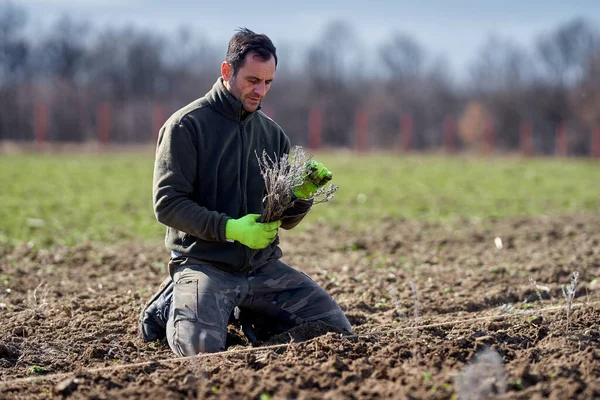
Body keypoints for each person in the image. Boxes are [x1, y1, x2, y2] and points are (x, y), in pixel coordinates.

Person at [138, 28, 351, 356]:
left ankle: (248, 312)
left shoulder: (272, 135)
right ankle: (172, 302)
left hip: (262, 268)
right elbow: (167, 204)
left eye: (268, 83)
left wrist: (303, 192)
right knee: (199, 351)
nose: (260, 91)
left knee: (335, 331)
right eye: (253, 80)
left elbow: (286, 221)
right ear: (227, 71)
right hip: (205, 264)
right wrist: (230, 229)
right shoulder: (186, 126)